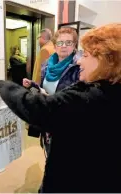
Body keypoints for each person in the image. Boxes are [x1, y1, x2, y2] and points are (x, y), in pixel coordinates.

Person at [0, 23, 121, 192]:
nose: (80, 60)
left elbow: (40, 109)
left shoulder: (94, 97)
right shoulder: (119, 92)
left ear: (107, 61)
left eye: (86, 55)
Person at [23, 27, 80, 157]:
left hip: (67, 124)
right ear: (54, 45)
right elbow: (46, 87)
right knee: (49, 153)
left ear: (74, 44)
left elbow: (81, 100)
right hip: (48, 120)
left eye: (68, 42)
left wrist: (53, 100)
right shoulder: (47, 65)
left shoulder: (78, 67)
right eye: (60, 43)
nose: (63, 46)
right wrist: (34, 85)